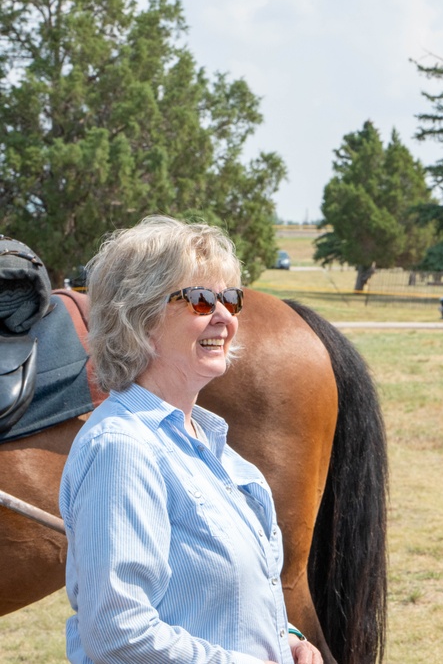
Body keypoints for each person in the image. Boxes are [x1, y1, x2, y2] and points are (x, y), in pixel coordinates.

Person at [59, 216, 322, 664]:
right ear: (138, 318)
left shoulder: (206, 439)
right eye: (200, 299)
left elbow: (223, 598)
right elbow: (118, 635)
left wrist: (288, 640)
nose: (224, 316)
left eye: (230, 299)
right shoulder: (122, 448)